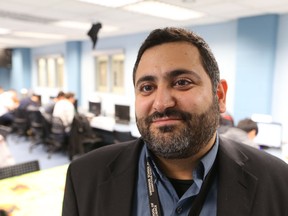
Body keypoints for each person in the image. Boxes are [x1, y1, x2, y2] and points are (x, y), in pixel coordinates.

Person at [62, 27, 288, 216]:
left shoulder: (278, 182)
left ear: (219, 96)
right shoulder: (84, 177)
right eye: (147, 88)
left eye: (182, 82)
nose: (161, 103)